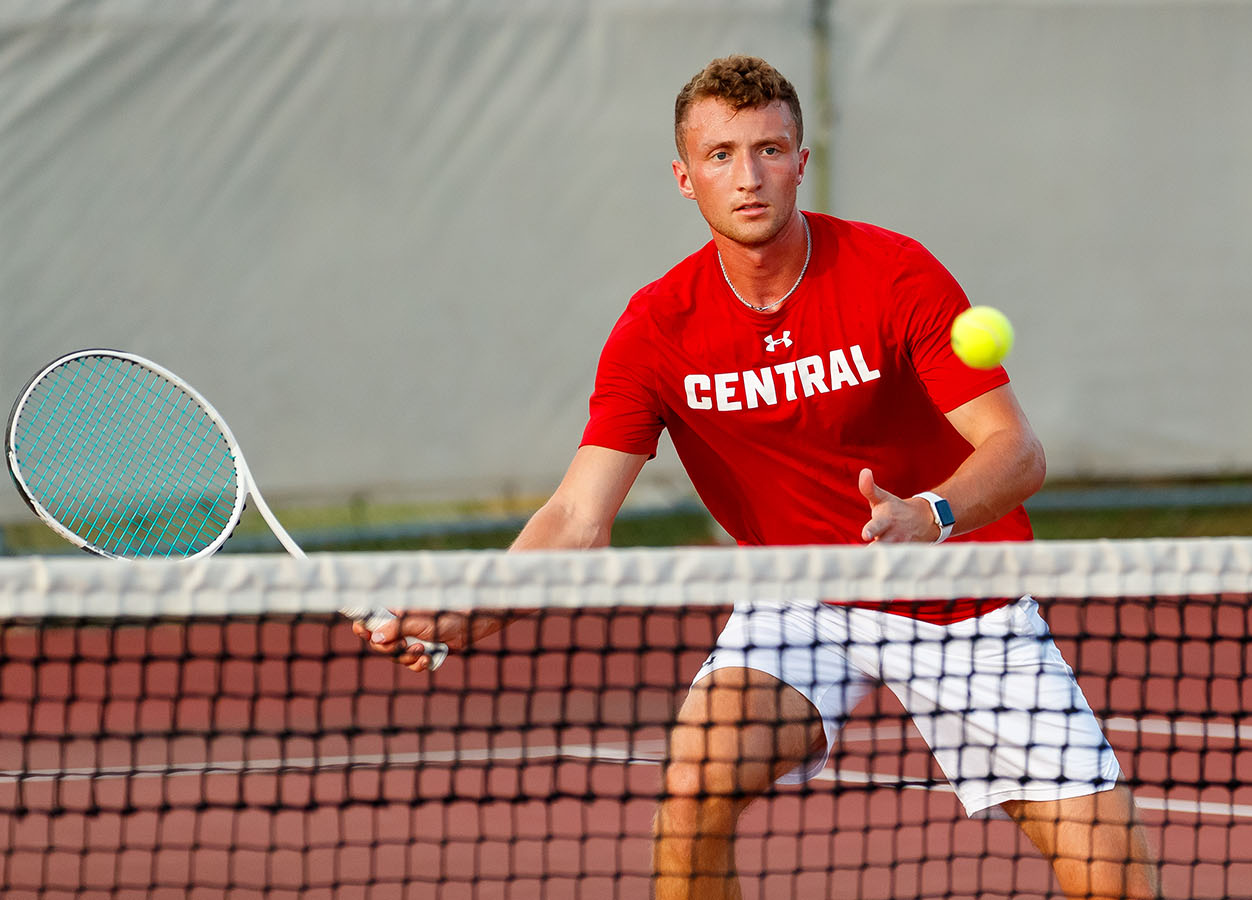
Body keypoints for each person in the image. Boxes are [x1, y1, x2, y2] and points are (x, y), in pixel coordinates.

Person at [357, 54, 1160, 900]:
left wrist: (930, 514)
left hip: (961, 595)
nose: (748, 177)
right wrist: (464, 610)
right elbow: (576, 516)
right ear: (683, 176)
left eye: (770, 150)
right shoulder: (656, 329)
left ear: (801, 163)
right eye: (721, 155)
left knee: (1116, 884)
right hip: (799, 598)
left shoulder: (895, 275)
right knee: (693, 783)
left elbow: (1017, 450)